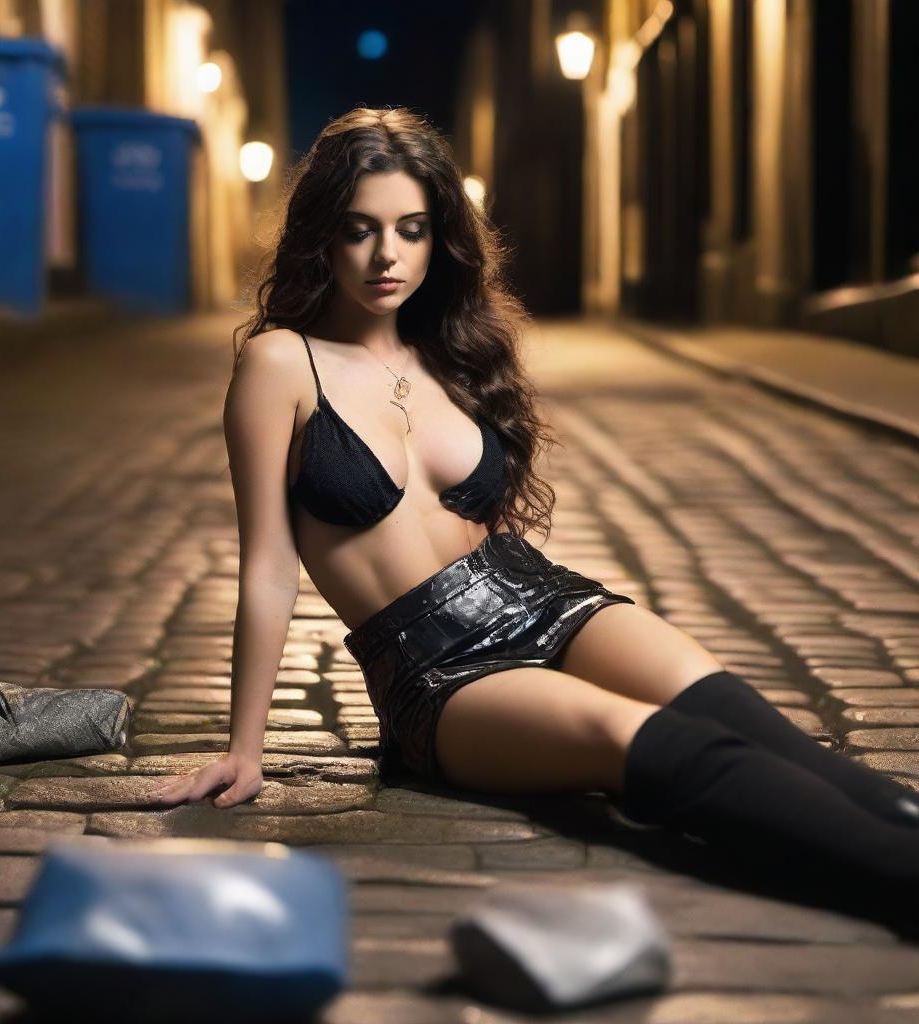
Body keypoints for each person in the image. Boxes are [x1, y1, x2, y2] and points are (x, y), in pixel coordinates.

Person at [151, 107, 919, 924]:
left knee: (755, 723)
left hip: (545, 597)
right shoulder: (281, 364)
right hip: (440, 673)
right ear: (322, 236)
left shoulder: (450, 349)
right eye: (360, 229)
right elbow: (269, 565)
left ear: (436, 234)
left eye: (411, 229)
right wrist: (246, 747)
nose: (387, 256)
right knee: (640, 740)